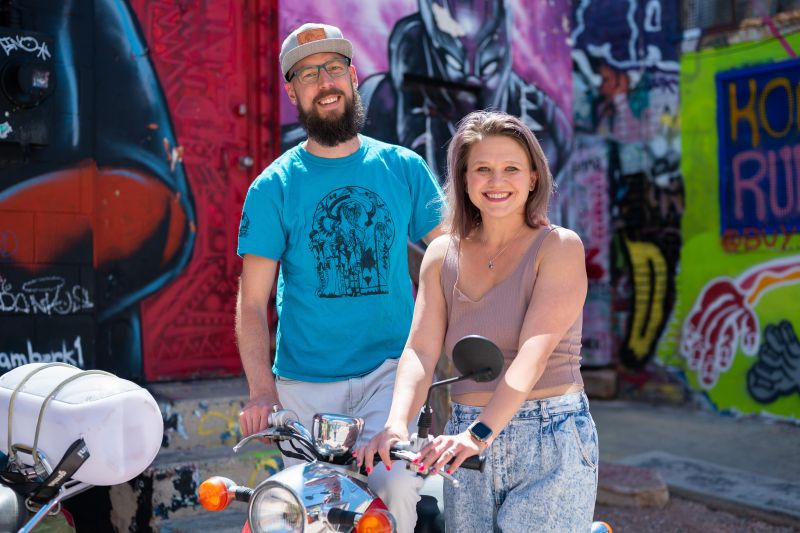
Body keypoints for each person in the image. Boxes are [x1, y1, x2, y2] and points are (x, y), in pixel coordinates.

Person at [235, 22, 444, 533]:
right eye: (308, 73)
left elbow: (447, 256)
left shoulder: (404, 168)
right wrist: (262, 392)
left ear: (352, 76)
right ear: (292, 91)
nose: (324, 82)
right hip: (305, 388)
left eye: (333, 68)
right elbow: (251, 302)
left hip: (387, 376)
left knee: (396, 489)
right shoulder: (273, 187)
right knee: (314, 515)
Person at [357, 110, 599, 532]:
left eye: (511, 169)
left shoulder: (558, 247)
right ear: (464, 180)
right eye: (482, 169)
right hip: (463, 434)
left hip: (548, 433)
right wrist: (397, 423)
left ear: (533, 179)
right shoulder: (440, 256)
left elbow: (532, 356)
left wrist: (479, 434)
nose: (496, 181)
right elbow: (420, 349)